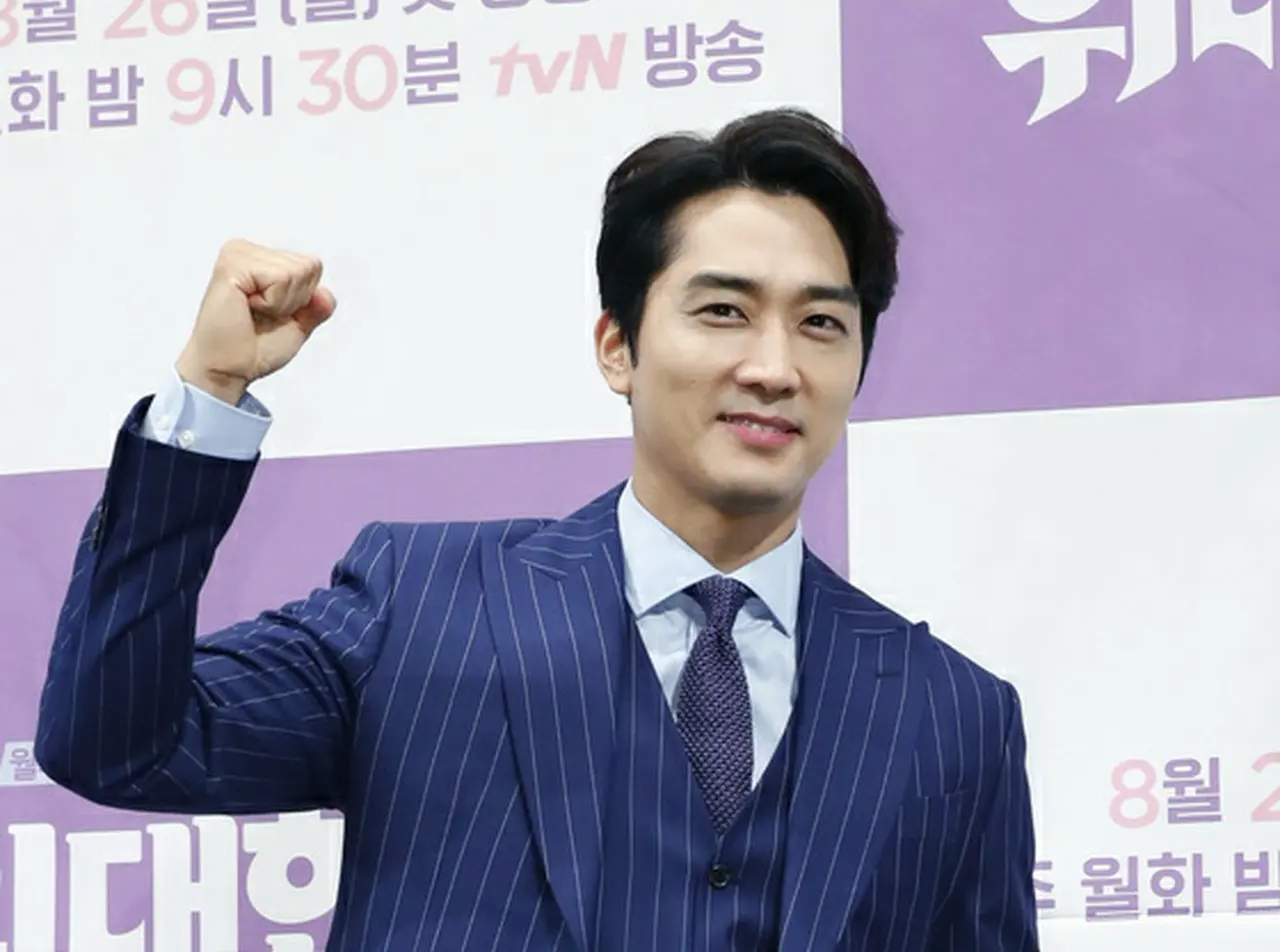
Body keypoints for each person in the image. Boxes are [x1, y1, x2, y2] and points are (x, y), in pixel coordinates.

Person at [34, 108, 1040, 951]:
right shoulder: (420, 604)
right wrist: (210, 394)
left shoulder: (953, 715)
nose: (774, 367)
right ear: (618, 347)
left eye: (821, 323)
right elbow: (115, 745)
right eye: (724, 312)